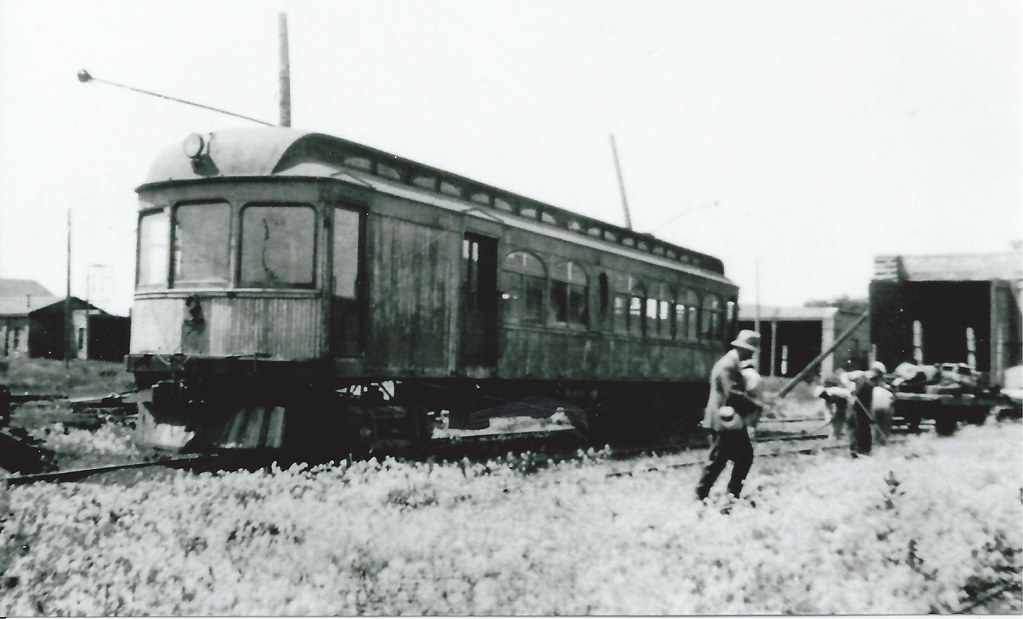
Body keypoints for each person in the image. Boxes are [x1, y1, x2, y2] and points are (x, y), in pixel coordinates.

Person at [696, 329, 762, 501]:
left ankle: (730, 494)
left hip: (730, 420)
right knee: (721, 459)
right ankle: (704, 494)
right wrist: (755, 405)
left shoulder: (732, 363)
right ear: (743, 349)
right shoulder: (728, 365)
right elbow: (732, 393)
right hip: (724, 420)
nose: (751, 355)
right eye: (750, 351)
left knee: (738, 457)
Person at [843, 361, 887, 456]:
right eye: (878, 373)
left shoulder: (875, 381)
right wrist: (849, 386)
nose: (878, 377)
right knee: (854, 427)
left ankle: (865, 451)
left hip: (865, 406)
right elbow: (843, 376)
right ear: (874, 370)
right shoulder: (860, 374)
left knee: (865, 428)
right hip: (855, 405)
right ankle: (855, 452)